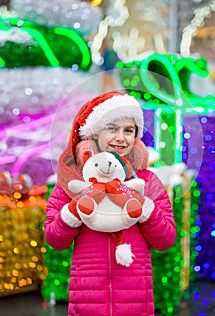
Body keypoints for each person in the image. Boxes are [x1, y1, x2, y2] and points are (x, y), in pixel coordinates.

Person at [44, 91, 176, 316]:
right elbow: (55, 238)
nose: (121, 138)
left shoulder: (146, 181)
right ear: (95, 133)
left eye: (128, 130)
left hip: (136, 302)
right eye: (112, 128)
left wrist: (144, 209)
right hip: (87, 302)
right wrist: (75, 211)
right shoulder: (73, 181)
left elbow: (165, 239)